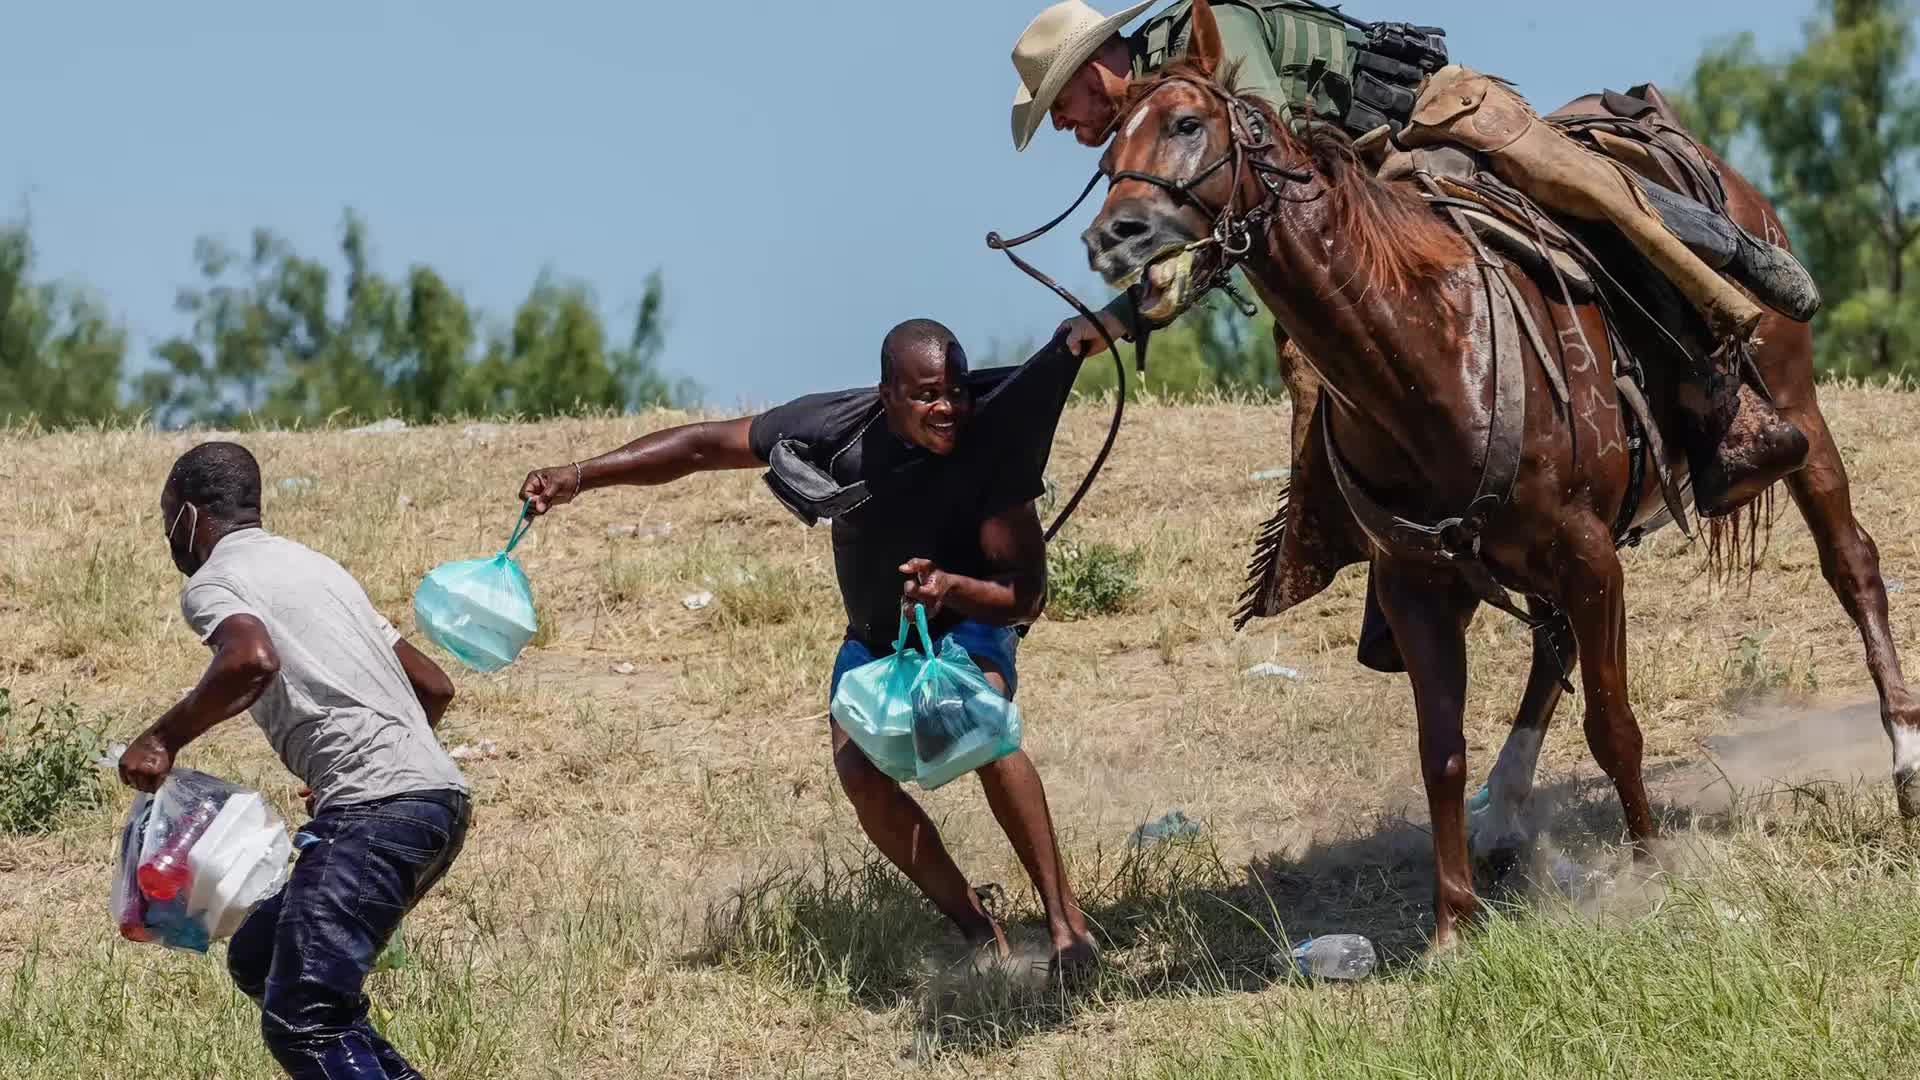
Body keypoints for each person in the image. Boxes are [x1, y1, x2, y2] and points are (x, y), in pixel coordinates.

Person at [1008, 0, 1822, 517]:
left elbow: (1275, 163)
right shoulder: (1156, 127)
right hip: (1368, 186)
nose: (1062, 127)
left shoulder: (1209, 30)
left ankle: (1724, 312)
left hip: (1436, 119)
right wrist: (1119, 314)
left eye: (1061, 105)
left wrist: (1136, 300)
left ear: (1096, 69)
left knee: (1582, 194)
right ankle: (1371, 535)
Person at [517, 320, 1100, 973]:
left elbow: (1025, 595)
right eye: (928, 394)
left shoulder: (990, 446)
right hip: (877, 640)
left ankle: (1065, 928)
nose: (948, 409)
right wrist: (580, 475)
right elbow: (706, 447)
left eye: (958, 391)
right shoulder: (834, 428)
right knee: (860, 773)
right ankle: (976, 931)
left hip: (968, 622)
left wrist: (951, 587)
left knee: (979, 727)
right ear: (888, 395)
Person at [119, 441, 470, 1080]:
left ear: (188, 516)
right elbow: (433, 685)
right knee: (262, 955)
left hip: (378, 810)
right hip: (437, 803)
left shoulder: (216, 579)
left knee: (305, 1017)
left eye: (166, 515)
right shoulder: (318, 568)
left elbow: (248, 659)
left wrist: (164, 739)